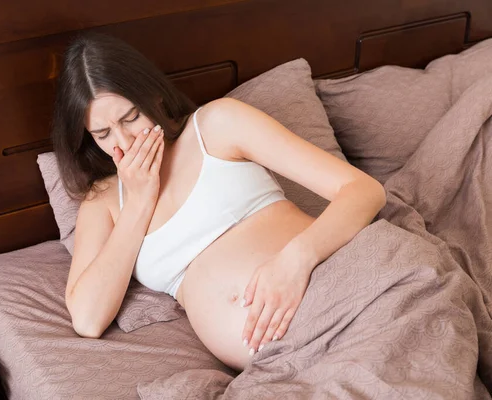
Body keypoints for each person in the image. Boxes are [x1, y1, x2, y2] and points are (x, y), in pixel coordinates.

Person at [52, 31, 386, 372]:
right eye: (103, 134)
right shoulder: (102, 203)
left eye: (131, 117)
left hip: (345, 287)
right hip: (287, 361)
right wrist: (139, 201)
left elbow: (364, 190)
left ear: (153, 96)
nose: (123, 141)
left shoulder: (216, 126)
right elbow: (88, 319)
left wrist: (295, 260)